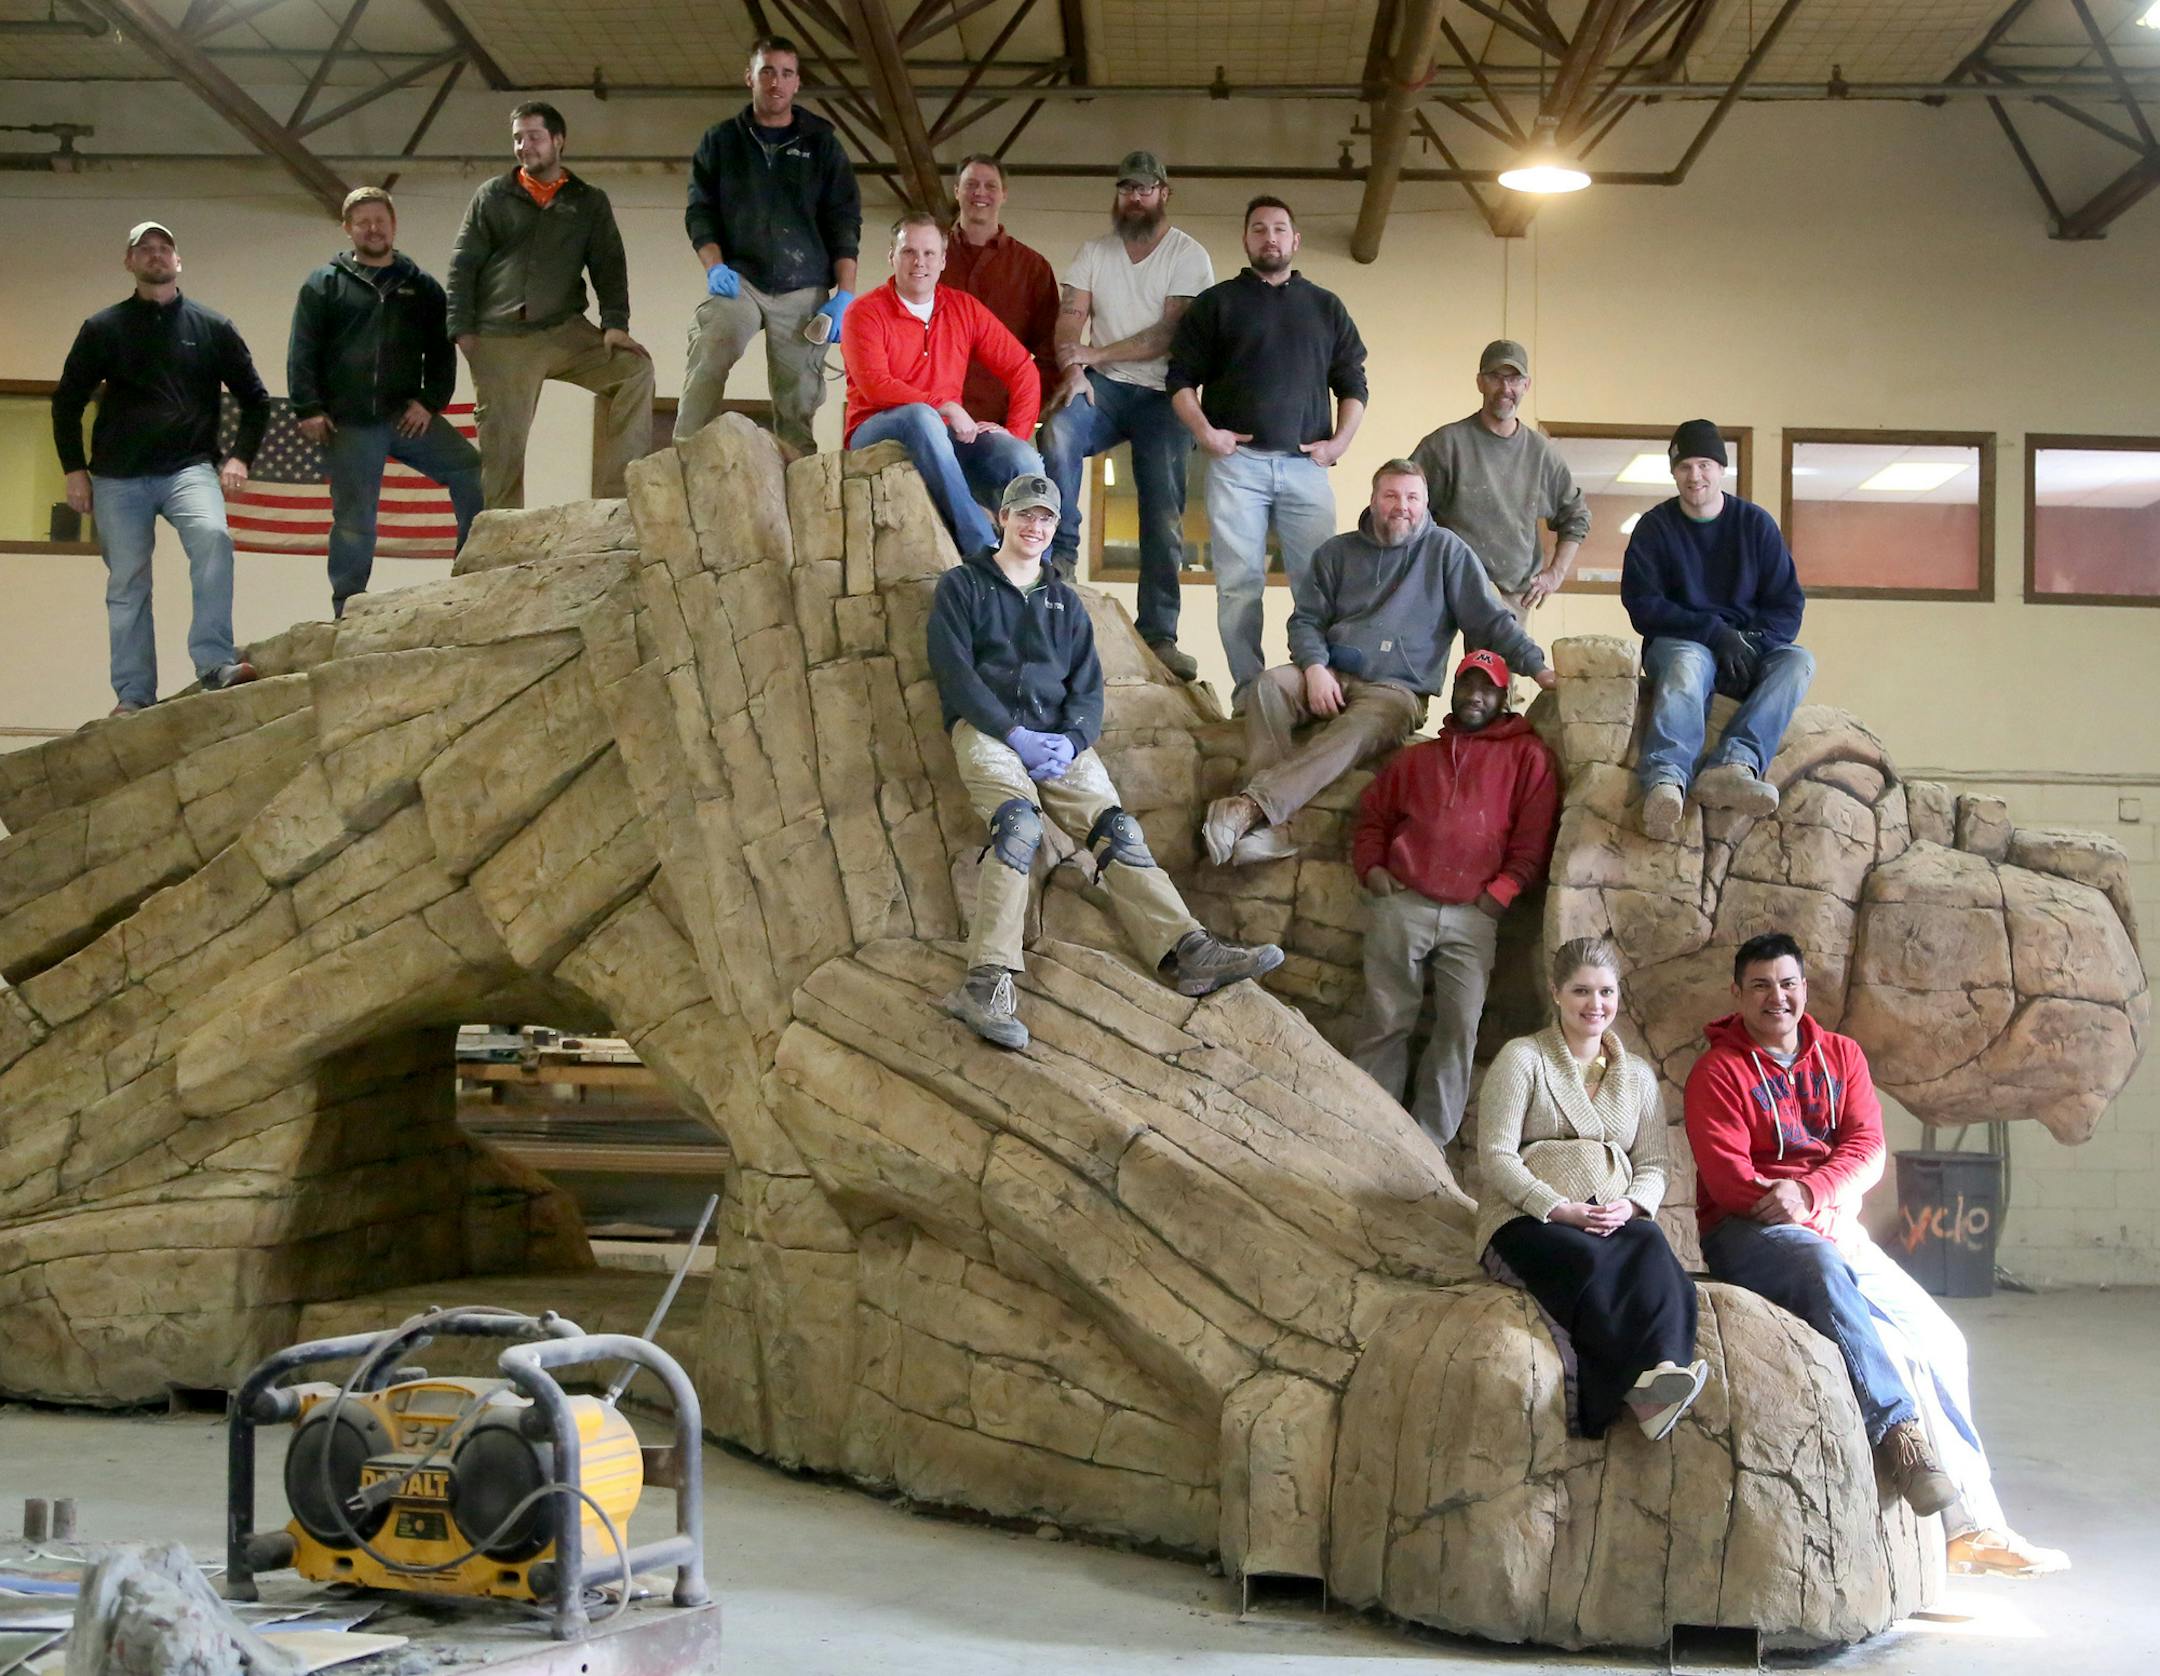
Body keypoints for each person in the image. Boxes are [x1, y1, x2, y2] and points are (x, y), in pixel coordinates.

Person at [1686, 932, 2069, 1574]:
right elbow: (1728, 1179)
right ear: (1738, 993)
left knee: (1942, 1343)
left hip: (1834, 1227)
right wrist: (1793, 1206)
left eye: (1786, 983)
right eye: (1759, 985)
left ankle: (1974, 1530)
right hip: (1750, 1235)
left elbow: (1865, 1148)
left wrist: (1811, 1193)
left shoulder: (1842, 1056)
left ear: (1804, 988)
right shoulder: (1718, 1071)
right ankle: (1901, 1438)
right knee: (1837, 1287)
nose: (1775, 996)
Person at [928, 472, 1284, 1050]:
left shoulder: (1065, 601)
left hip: (1058, 739)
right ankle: (987, 982)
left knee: (1117, 829)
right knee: (1018, 827)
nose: (1036, 527)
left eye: (1046, 519)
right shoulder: (963, 586)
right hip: (992, 733)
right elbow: (956, 675)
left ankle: (1186, 950)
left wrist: (1071, 740)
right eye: (1025, 515)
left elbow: (1088, 691)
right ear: (1003, 517)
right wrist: (1014, 735)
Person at [1201, 459, 1555, 866]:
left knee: (1357, 728)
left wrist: (1537, 666)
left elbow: (1492, 621)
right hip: (1331, 673)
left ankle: (1247, 810)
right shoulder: (1336, 553)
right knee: (1268, 687)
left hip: (1398, 690)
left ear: (1425, 504)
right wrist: (1314, 668)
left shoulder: (1447, 552)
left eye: (1412, 497)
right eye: (1391, 496)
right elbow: (1305, 621)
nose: (1401, 506)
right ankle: (1274, 827)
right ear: (1373, 500)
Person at [1477, 937, 1709, 1441]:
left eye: (1606, 992)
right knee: (1587, 1261)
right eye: (1581, 990)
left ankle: (1662, 1380)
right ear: (1557, 992)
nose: (1595, 1004)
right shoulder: (1523, 1058)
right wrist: (1558, 1209)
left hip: (1608, 1218)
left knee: (1652, 1246)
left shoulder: (1640, 1079)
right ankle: (1615, 1394)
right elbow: (1496, 1155)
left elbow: (1652, 1165)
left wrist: (1630, 1206)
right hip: (1530, 1219)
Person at [51, 219, 268, 715]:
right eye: (144, 249)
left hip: (188, 469)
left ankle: (215, 663)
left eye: (163, 248)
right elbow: (66, 402)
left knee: (214, 537)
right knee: (127, 583)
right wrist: (73, 469)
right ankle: (133, 696)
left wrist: (240, 456)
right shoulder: (103, 328)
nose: (155, 255)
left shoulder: (212, 328)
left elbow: (255, 400)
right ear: (129, 262)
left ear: (178, 261)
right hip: (116, 476)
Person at [1348, 649, 1560, 1145]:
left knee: (1459, 1029)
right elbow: (1373, 817)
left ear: (1505, 697)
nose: (1476, 696)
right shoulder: (1417, 759)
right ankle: (1364, 1134)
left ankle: (1427, 1147)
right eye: (1468, 684)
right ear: (1455, 689)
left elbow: (1534, 838)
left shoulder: (1528, 757)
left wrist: (1499, 895)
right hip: (1404, 902)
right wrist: (1373, 870)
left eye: (1488, 688)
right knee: (1385, 1018)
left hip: (1474, 915)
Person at [1166, 195, 1367, 693]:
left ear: (1295, 241)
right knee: (1238, 588)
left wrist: (1338, 444)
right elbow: (1180, 380)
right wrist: (1204, 432)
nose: (1270, 237)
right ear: (1246, 240)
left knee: (1318, 588)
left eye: (1279, 229)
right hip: (1238, 468)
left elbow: (1354, 383)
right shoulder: (1217, 303)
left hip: (1306, 469)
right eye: (1259, 229)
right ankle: (1249, 692)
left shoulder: (1325, 306)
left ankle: (1315, 685)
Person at [1037, 151, 1214, 680]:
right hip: (1104, 389)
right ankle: (1061, 559)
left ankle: (1159, 633)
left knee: (1161, 507)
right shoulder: (1094, 251)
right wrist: (1073, 368)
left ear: (1165, 194)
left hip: (1164, 395)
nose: (1134, 198)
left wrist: (1096, 354)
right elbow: (1071, 319)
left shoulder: (1189, 256)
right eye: (1126, 189)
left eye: (1144, 189)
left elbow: (1170, 335)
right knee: (1058, 435)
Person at [288, 186, 483, 619]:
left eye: (380, 220)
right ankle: (348, 607)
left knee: (470, 469)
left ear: (393, 225)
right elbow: (303, 350)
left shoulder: (423, 288)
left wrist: (429, 403)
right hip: (349, 422)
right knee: (356, 519)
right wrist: (309, 408)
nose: (372, 228)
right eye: (363, 222)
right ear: (347, 228)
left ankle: (474, 567)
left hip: (405, 417)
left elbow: (440, 353)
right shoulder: (323, 284)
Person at [447, 100, 653, 510]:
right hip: (501, 337)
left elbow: (609, 263)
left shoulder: (588, 201)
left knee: (634, 371)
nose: (525, 146)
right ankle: (499, 545)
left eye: (534, 136)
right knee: (503, 449)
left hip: (564, 329)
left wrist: (615, 323)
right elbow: (463, 262)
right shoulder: (492, 195)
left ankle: (616, 504)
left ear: (559, 140)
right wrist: (462, 330)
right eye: (518, 138)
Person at [1620, 420, 1812, 841]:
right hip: (1682, 639)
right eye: (1685, 466)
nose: (1695, 476)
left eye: (1705, 464)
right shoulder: (1655, 529)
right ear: (1674, 473)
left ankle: (1734, 763)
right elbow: (1642, 604)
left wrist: (1751, 644)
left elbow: (1788, 604)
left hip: (1748, 642)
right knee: (1690, 664)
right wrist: (1712, 631)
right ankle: (1665, 780)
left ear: (1721, 470)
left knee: (1798, 662)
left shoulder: (1756, 526)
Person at [679, 36, 861, 454]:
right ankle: (684, 454)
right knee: (715, 340)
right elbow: (699, 211)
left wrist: (845, 294)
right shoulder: (721, 141)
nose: (776, 81)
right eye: (766, 71)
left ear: (797, 83)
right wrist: (714, 267)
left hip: (804, 284)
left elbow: (844, 221)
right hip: (740, 279)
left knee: (798, 396)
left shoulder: (823, 145)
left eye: (786, 73)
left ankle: (797, 473)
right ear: (750, 78)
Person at [840, 213, 1041, 556]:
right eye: (908, 252)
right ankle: (982, 545)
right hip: (875, 428)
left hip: (945, 433)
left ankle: (1037, 568)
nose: (920, 262)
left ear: (943, 260)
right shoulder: (864, 312)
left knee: (1022, 457)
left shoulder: (963, 309)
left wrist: (1016, 431)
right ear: (892, 256)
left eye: (930, 253)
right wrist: (944, 405)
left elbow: (1022, 368)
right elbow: (876, 386)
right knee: (921, 416)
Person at [1411, 339, 1590, 621]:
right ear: (1480, 382)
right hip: (1442, 584)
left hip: (1511, 592)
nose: (1506, 388)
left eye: (1515, 379)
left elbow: (1576, 516)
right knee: (1417, 663)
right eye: (1496, 377)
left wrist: (1555, 574)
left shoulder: (1541, 454)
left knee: (1497, 667)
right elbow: (1407, 507)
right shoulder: (1445, 445)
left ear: (1526, 385)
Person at [943, 154, 1058, 436]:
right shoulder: (929, 259)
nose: (980, 193)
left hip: (999, 427)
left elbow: (1049, 353)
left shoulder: (1032, 268)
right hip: (934, 419)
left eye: (990, 186)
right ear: (957, 190)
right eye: (971, 184)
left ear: (1004, 194)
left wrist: (1019, 417)